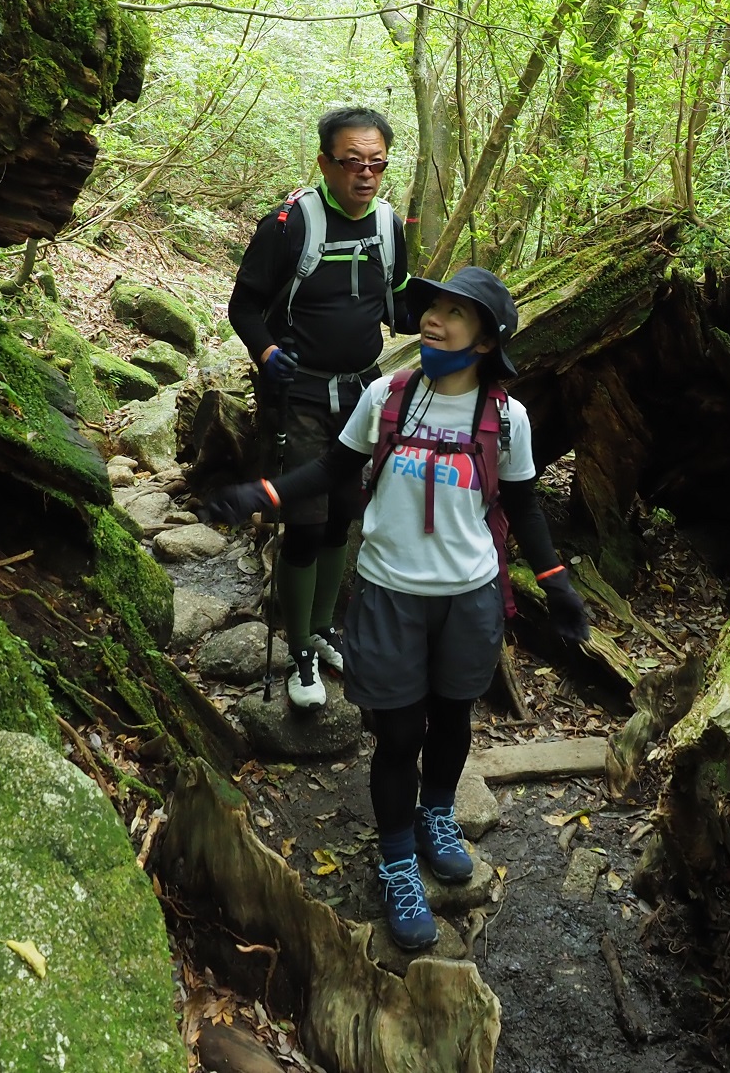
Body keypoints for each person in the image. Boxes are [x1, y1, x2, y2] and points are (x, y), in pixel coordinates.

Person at [204, 267, 590, 950]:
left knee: (451, 722)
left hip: (468, 597)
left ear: (484, 340)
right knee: (398, 735)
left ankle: (438, 815)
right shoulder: (388, 395)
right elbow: (331, 471)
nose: (433, 321)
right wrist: (261, 494)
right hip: (389, 593)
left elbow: (525, 505)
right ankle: (395, 860)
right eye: (433, 309)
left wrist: (557, 582)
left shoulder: (506, 417)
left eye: (453, 314)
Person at [227, 107, 415, 712]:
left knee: (343, 516)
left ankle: (327, 631)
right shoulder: (288, 224)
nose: (366, 174)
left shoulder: (388, 224)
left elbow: (399, 303)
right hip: (298, 394)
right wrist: (266, 351)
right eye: (352, 162)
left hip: (362, 391)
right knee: (303, 523)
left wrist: (462, 321)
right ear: (325, 163)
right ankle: (300, 646)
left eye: (376, 162)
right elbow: (245, 304)